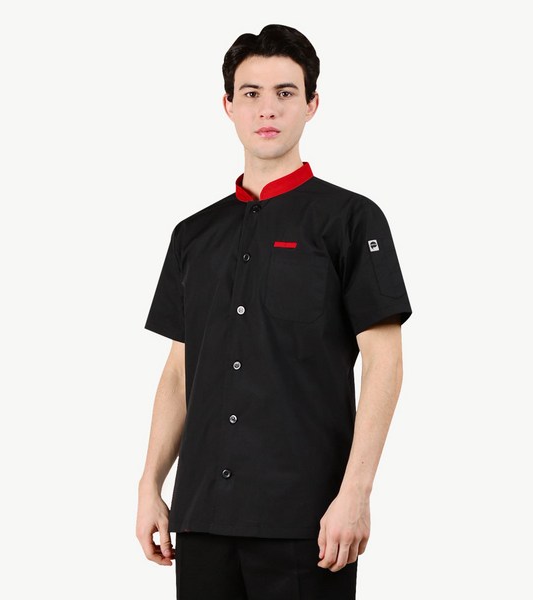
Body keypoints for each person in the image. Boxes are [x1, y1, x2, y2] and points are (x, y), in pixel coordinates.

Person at [136, 23, 412, 600]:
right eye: (252, 93)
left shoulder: (351, 220)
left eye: (286, 92)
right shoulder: (193, 235)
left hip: (308, 520)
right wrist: (150, 484)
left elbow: (384, 362)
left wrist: (356, 493)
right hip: (202, 517)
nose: (268, 109)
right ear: (228, 106)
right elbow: (179, 373)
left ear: (312, 104)